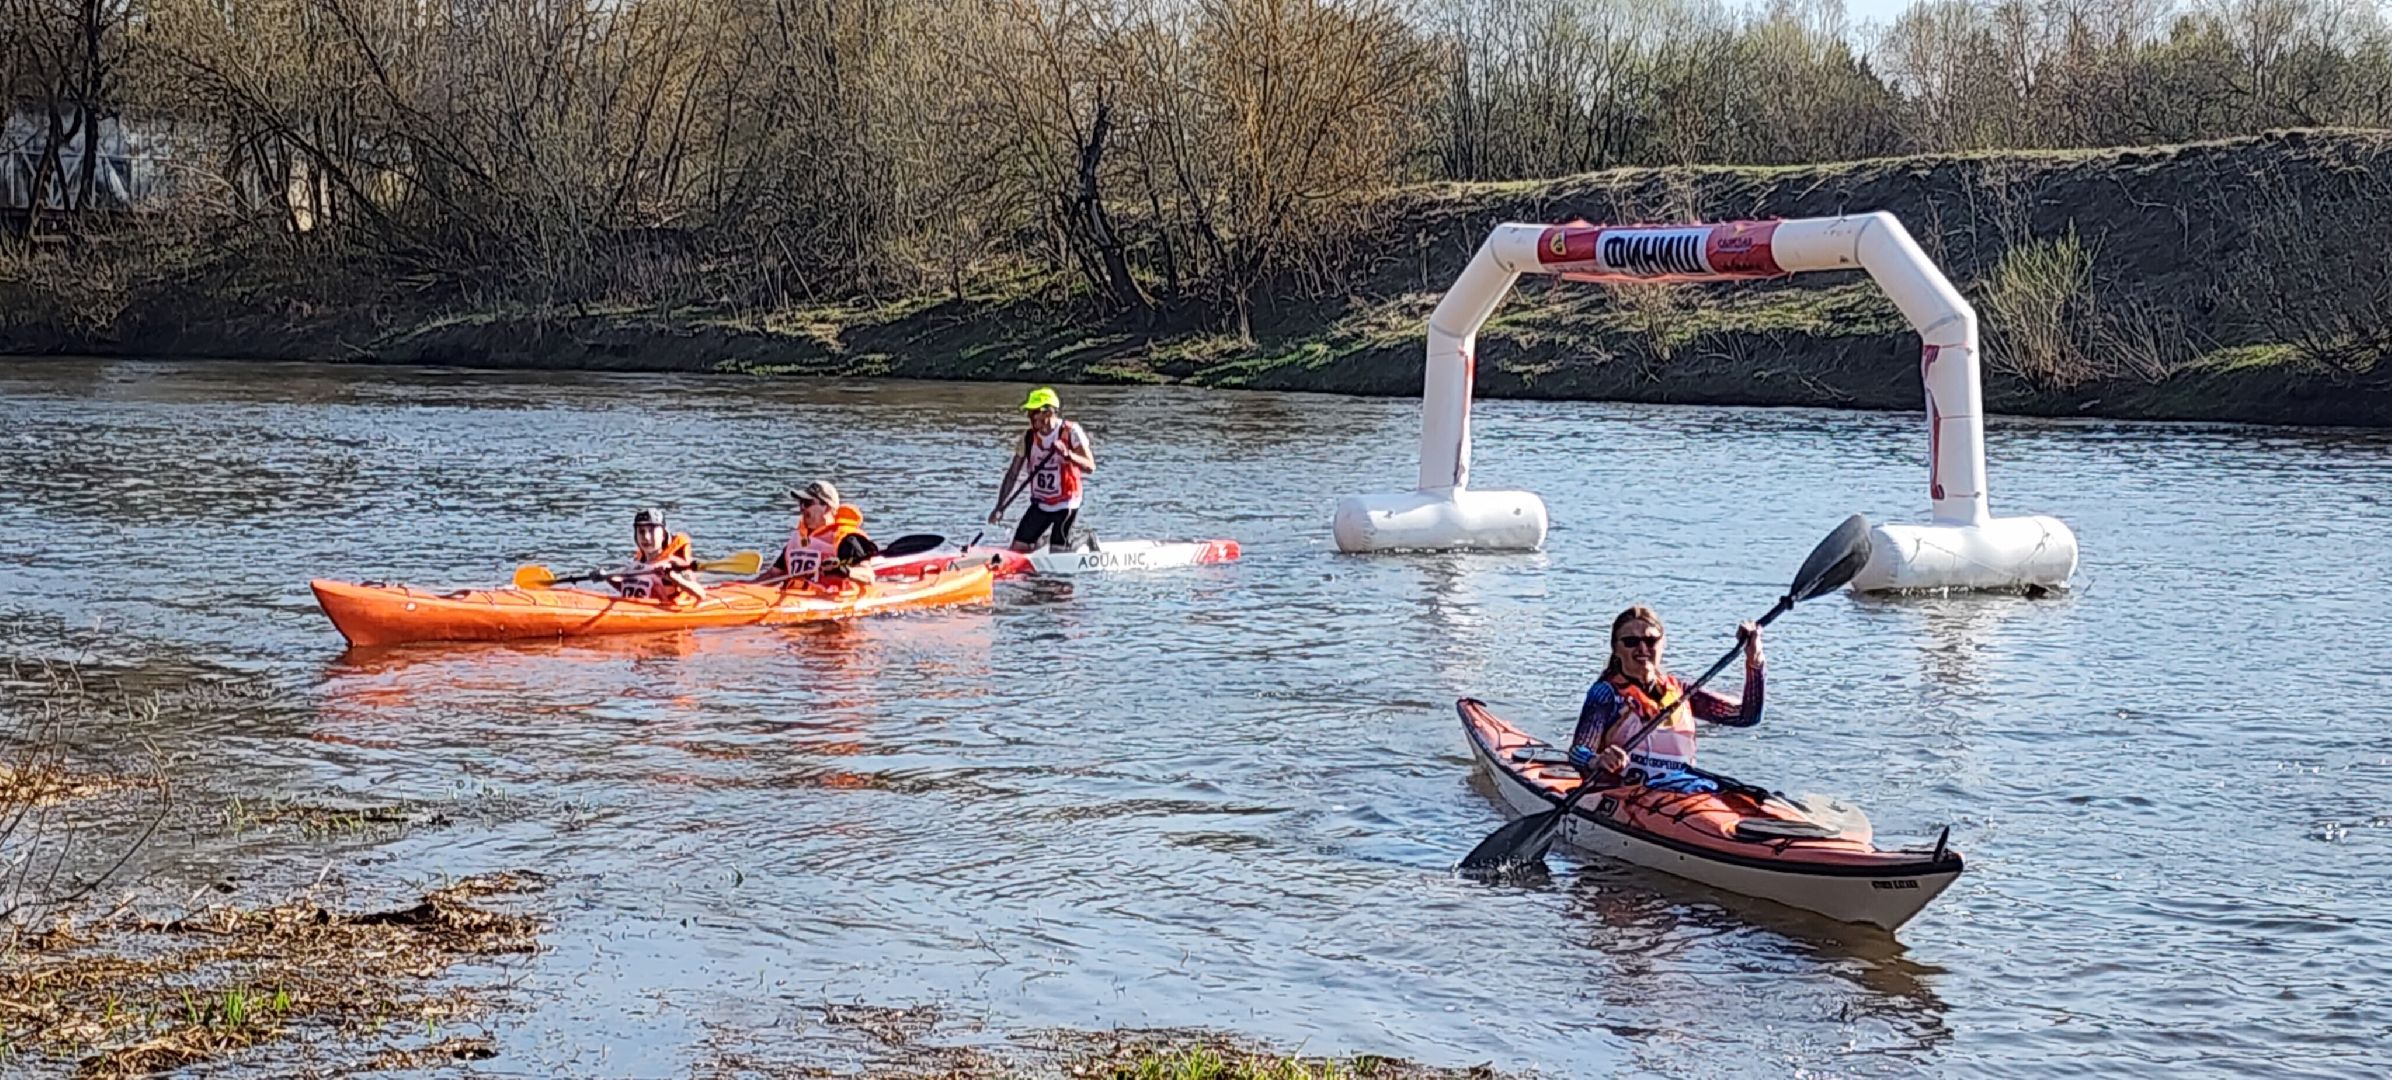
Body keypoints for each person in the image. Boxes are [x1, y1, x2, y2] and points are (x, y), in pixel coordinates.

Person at [1568, 605, 1763, 793]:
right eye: (1630, 642)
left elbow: (1746, 717)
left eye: (1651, 641)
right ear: (1616, 649)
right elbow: (1578, 752)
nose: (1642, 648)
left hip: (1677, 792)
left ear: (1663, 644)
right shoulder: (1606, 693)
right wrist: (1596, 760)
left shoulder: (1682, 692)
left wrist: (1754, 662)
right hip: (1622, 793)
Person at [988, 386, 1095, 553]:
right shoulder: (1029, 437)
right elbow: (1012, 474)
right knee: (1017, 549)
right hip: (1041, 502)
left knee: (1058, 553)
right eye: (1029, 413)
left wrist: (1067, 455)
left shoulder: (1070, 432)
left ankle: (1085, 539)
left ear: (1048, 413)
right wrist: (999, 506)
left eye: (1033, 412)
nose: (1029, 417)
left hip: (1066, 502)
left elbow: (1090, 466)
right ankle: (1041, 542)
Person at [759, 479, 878, 587]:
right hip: (795, 598)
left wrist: (845, 571)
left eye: (807, 503)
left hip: (829, 599)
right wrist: (745, 587)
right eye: (800, 503)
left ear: (826, 508)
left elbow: (868, 576)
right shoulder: (798, 538)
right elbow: (773, 575)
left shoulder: (845, 539)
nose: (801, 508)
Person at [612, 508, 707, 605]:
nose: (646, 537)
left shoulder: (674, 564)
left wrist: (672, 576)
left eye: (652, 531)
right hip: (642, 608)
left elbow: (701, 595)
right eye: (641, 531)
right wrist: (607, 577)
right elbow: (627, 586)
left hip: (670, 610)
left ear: (663, 536)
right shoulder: (638, 562)